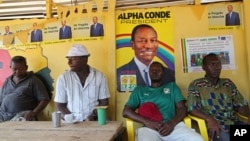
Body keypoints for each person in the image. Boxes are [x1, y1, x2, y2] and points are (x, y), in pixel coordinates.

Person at [123, 61, 203, 141]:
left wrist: (171, 123)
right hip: (149, 129)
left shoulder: (172, 87)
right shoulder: (139, 90)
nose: (155, 72)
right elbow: (126, 111)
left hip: (173, 127)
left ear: (163, 73)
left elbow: (182, 108)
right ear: (148, 73)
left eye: (158, 70)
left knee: (197, 139)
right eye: (152, 70)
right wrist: (147, 122)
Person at [187, 53, 250, 141]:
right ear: (204, 67)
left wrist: (248, 114)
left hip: (233, 123)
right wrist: (210, 119)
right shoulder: (196, 85)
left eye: (218, 64)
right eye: (212, 64)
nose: (216, 67)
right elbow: (192, 109)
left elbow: (241, 104)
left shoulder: (228, 83)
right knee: (226, 138)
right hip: (215, 126)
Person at [54, 44, 110, 121]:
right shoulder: (63, 78)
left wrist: (93, 115)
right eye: (68, 59)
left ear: (85, 59)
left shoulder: (99, 76)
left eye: (73, 59)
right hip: (70, 121)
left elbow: (104, 102)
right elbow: (60, 105)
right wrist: (70, 119)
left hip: (94, 120)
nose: (69, 62)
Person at [117, 24, 175, 92]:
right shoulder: (119, 73)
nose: (149, 46)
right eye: (143, 41)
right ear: (132, 44)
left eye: (153, 40)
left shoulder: (170, 74)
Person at [0, 56, 50, 122]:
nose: (18, 71)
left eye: (21, 69)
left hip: (20, 116)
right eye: (15, 69)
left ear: (26, 67)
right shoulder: (7, 81)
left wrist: (34, 112)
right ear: (10, 68)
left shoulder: (33, 80)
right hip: (3, 115)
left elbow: (45, 99)